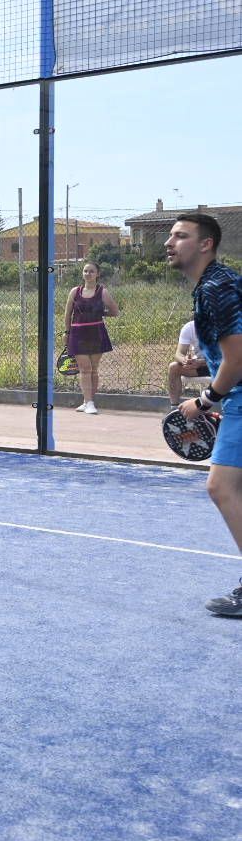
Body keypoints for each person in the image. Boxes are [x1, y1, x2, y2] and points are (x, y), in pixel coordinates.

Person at [167, 214, 242, 618]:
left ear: (206, 244)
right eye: (171, 235)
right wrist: (206, 373)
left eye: (180, 236)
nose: (170, 242)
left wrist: (207, 401)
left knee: (222, 487)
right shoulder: (215, 284)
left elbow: (239, 359)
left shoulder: (216, 287)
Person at [62, 262, 118, 414]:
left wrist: (99, 313)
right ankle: (88, 402)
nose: (88, 274)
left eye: (91, 271)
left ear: (97, 274)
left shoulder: (103, 292)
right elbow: (67, 314)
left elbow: (114, 311)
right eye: (85, 271)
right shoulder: (75, 291)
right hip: (78, 334)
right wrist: (66, 333)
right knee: (85, 369)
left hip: (96, 333)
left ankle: (89, 402)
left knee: (93, 370)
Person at [168, 319, 210, 407]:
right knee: (173, 367)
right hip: (200, 365)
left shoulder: (223, 326)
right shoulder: (189, 327)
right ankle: (174, 409)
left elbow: (228, 357)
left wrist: (201, 362)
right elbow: (179, 354)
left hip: (222, 367)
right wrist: (185, 360)